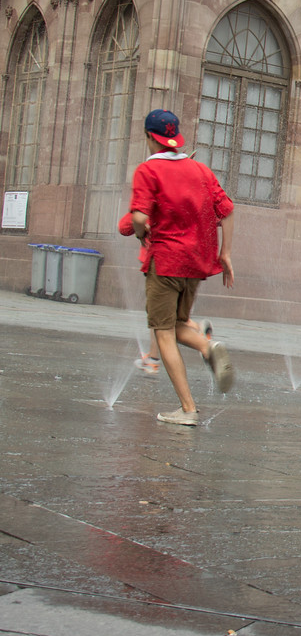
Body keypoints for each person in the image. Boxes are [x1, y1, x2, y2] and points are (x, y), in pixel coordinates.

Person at [128, 109, 236, 426]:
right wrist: (225, 253)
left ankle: (188, 408)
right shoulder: (201, 170)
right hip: (195, 264)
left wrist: (142, 233)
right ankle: (206, 344)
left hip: (165, 261)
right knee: (175, 324)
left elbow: (137, 218)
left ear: (149, 137)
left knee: (162, 333)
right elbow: (227, 210)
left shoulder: (148, 170)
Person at [118, 212, 213, 374]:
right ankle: (154, 358)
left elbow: (124, 227)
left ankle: (203, 343)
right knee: (163, 316)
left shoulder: (154, 200)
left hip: (159, 264)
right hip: (186, 263)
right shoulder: (186, 202)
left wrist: (141, 228)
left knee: (160, 317)